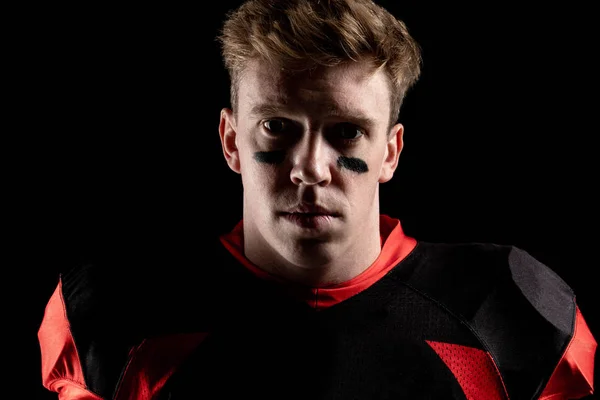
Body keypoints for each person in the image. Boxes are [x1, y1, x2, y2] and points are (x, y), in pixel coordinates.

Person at [37, 0, 596, 399]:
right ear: (232, 140)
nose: (308, 168)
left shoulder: (505, 311)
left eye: (347, 132)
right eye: (277, 127)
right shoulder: (121, 312)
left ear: (391, 152)